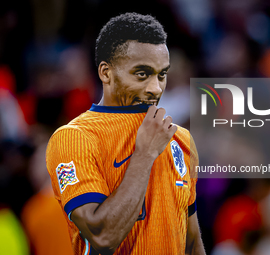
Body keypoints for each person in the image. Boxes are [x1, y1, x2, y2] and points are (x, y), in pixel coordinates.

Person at [46, 12, 205, 255]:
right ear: (106, 73)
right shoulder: (74, 138)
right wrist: (144, 154)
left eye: (161, 75)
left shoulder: (181, 140)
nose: (155, 88)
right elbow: (102, 236)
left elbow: (192, 242)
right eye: (142, 74)